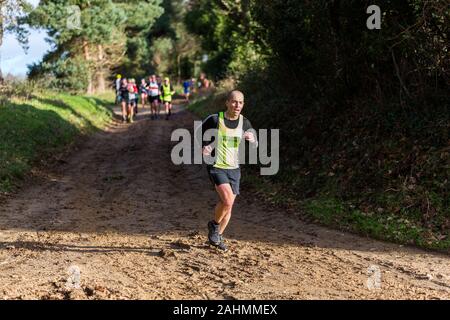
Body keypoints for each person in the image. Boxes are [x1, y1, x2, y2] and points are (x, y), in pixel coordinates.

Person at [198, 90, 258, 251]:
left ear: (243, 104)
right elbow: (199, 134)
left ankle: (216, 238)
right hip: (216, 166)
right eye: (234, 101)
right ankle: (214, 225)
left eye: (240, 102)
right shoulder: (215, 119)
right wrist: (205, 147)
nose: (237, 105)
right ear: (227, 103)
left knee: (229, 207)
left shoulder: (244, 123)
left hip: (234, 168)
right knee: (227, 201)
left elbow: (255, 143)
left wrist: (252, 140)